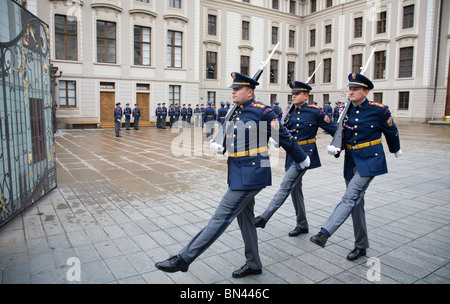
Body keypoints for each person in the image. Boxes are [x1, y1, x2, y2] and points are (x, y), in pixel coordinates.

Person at [154, 72, 311, 278]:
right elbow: (233, 136)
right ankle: (254, 263)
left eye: (237, 89)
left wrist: (302, 159)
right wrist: (221, 144)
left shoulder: (262, 111)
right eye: (233, 88)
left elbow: (284, 137)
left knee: (220, 217)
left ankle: (184, 258)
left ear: (250, 91)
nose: (233, 91)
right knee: (245, 219)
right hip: (238, 171)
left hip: (252, 173)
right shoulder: (235, 111)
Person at [309, 73, 402, 261]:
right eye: (350, 89)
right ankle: (361, 245)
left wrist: (395, 149)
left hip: (370, 160)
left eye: (355, 89)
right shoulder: (345, 110)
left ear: (365, 91)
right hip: (351, 160)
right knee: (356, 204)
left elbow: (391, 131)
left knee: (350, 196)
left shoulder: (379, 110)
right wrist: (337, 147)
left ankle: (324, 233)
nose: (350, 92)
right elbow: (344, 134)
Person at [254, 81, 337, 236]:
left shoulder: (316, 112)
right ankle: (302, 224)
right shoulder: (289, 111)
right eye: (292, 93)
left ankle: (264, 217)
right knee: (295, 190)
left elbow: (335, 130)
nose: (293, 96)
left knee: (286, 185)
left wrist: (338, 147)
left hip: (305, 154)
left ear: (306, 96)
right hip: (291, 154)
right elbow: (285, 130)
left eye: (297, 93)